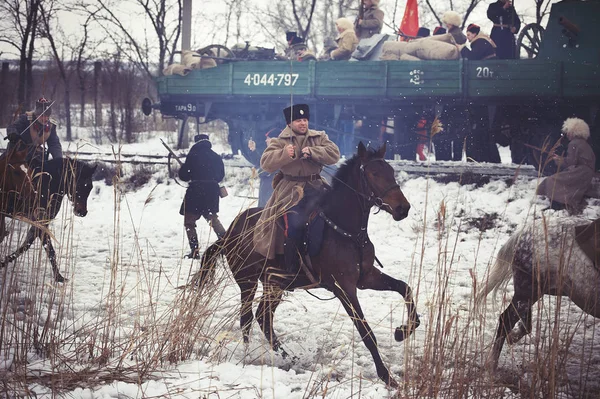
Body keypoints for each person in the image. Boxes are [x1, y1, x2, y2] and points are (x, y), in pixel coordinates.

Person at [252, 104, 340, 267]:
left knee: (337, 217)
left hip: (317, 187)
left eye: (305, 120)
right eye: (298, 120)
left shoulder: (319, 137)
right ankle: (291, 267)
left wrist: (314, 152)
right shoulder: (279, 141)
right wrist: (284, 154)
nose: (303, 123)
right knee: (293, 225)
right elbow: (266, 163)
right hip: (290, 191)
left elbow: (334, 154)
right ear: (289, 123)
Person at [179, 134, 227, 259]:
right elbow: (220, 175)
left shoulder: (192, 155)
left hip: (195, 192)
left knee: (189, 222)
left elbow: (184, 176)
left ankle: (194, 251)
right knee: (213, 220)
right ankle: (227, 243)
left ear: (196, 142)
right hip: (211, 192)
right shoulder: (216, 156)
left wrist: (184, 168)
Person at [537, 118, 596, 211]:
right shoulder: (584, 143)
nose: (566, 134)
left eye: (567, 132)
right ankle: (563, 202)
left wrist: (558, 160)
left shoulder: (573, 143)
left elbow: (570, 163)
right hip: (586, 172)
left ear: (573, 132)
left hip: (579, 172)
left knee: (552, 180)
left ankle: (556, 205)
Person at [6, 97, 63, 166]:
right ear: (36, 114)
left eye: (47, 116)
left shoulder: (51, 126)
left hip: (37, 157)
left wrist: (58, 158)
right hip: (18, 154)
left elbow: (54, 144)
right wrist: (13, 134)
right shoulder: (25, 119)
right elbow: (12, 127)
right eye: (42, 116)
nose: (45, 118)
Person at [247, 131, 275, 208]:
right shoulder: (269, 151)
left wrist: (261, 172)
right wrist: (253, 150)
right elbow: (260, 162)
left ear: (274, 139)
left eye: (268, 138)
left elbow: (266, 168)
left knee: (267, 209)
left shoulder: (278, 152)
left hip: (271, 186)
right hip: (267, 185)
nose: (266, 140)